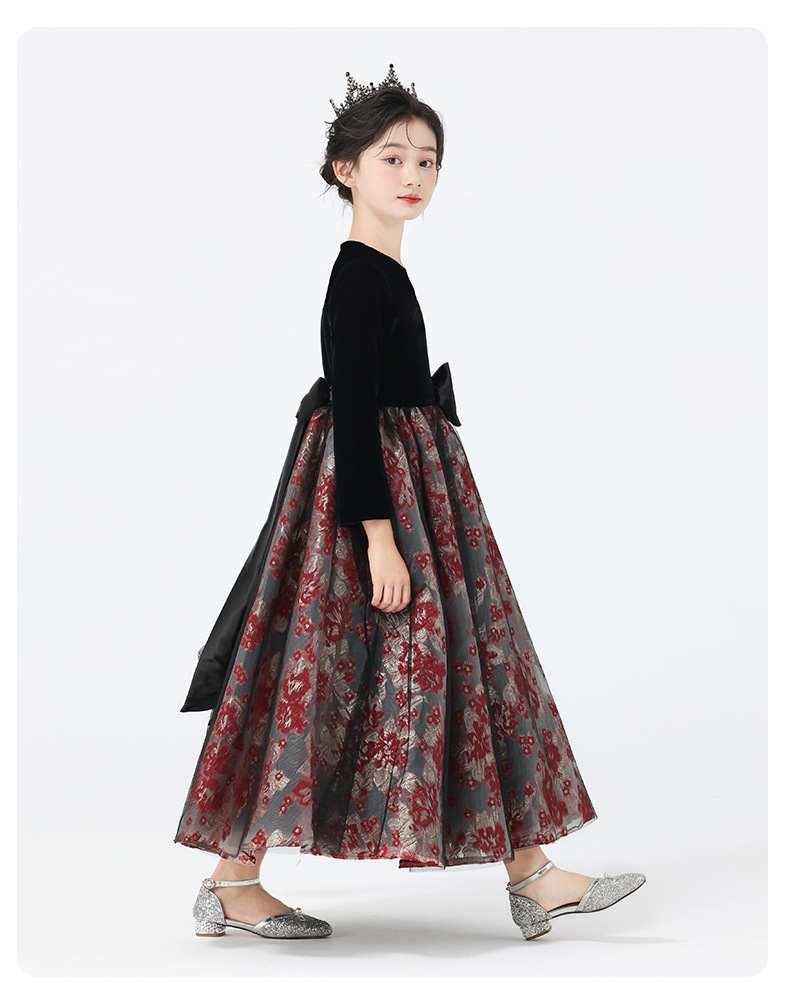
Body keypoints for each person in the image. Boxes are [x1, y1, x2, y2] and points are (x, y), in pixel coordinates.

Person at [173, 63, 646, 942]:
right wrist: (379, 538)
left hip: (416, 489)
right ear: (345, 169)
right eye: (392, 157)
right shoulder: (358, 275)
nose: (414, 174)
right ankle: (234, 880)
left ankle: (532, 873)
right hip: (377, 500)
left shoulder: (383, 270)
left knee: (464, 662)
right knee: (325, 676)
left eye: (428, 160)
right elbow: (353, 414)